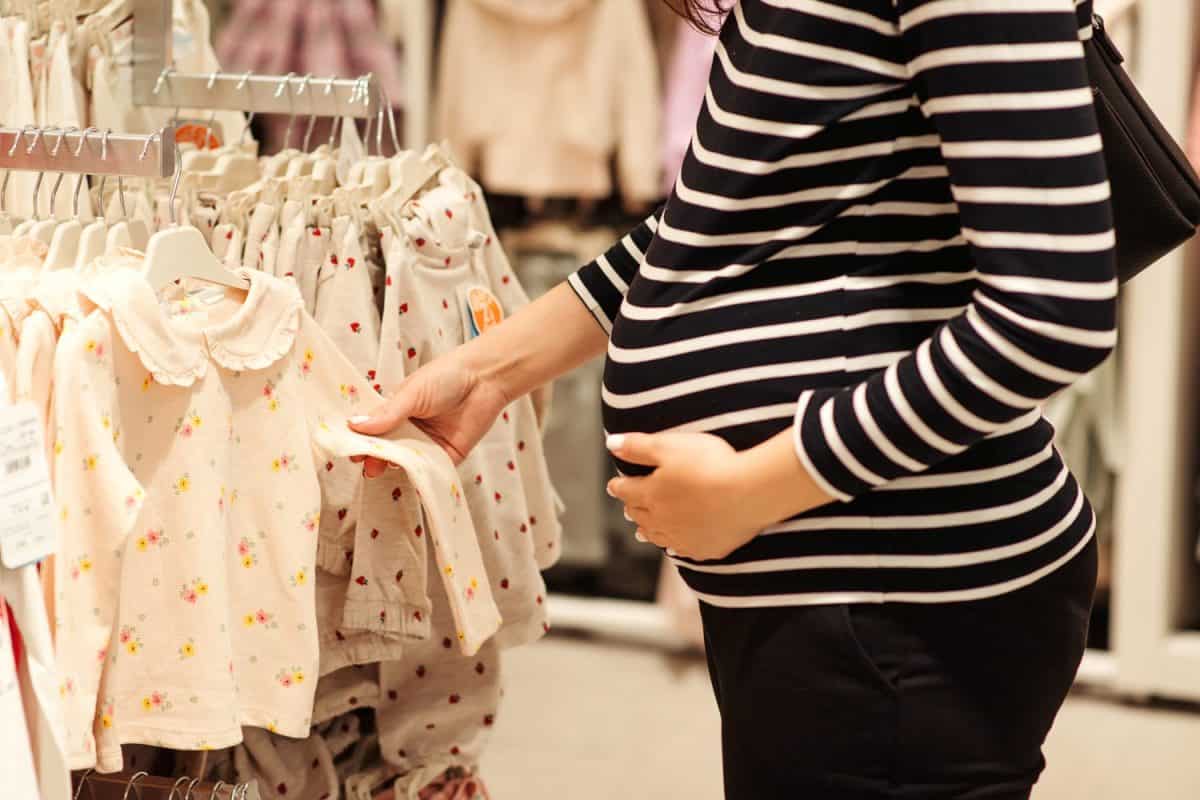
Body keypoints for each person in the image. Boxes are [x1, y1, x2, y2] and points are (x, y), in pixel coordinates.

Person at [351, 0, 1116, 796]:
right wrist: (487, 374)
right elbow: (720, 227)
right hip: (825, 580)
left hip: (896, 592)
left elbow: (1052, 312)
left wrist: (752, 490)